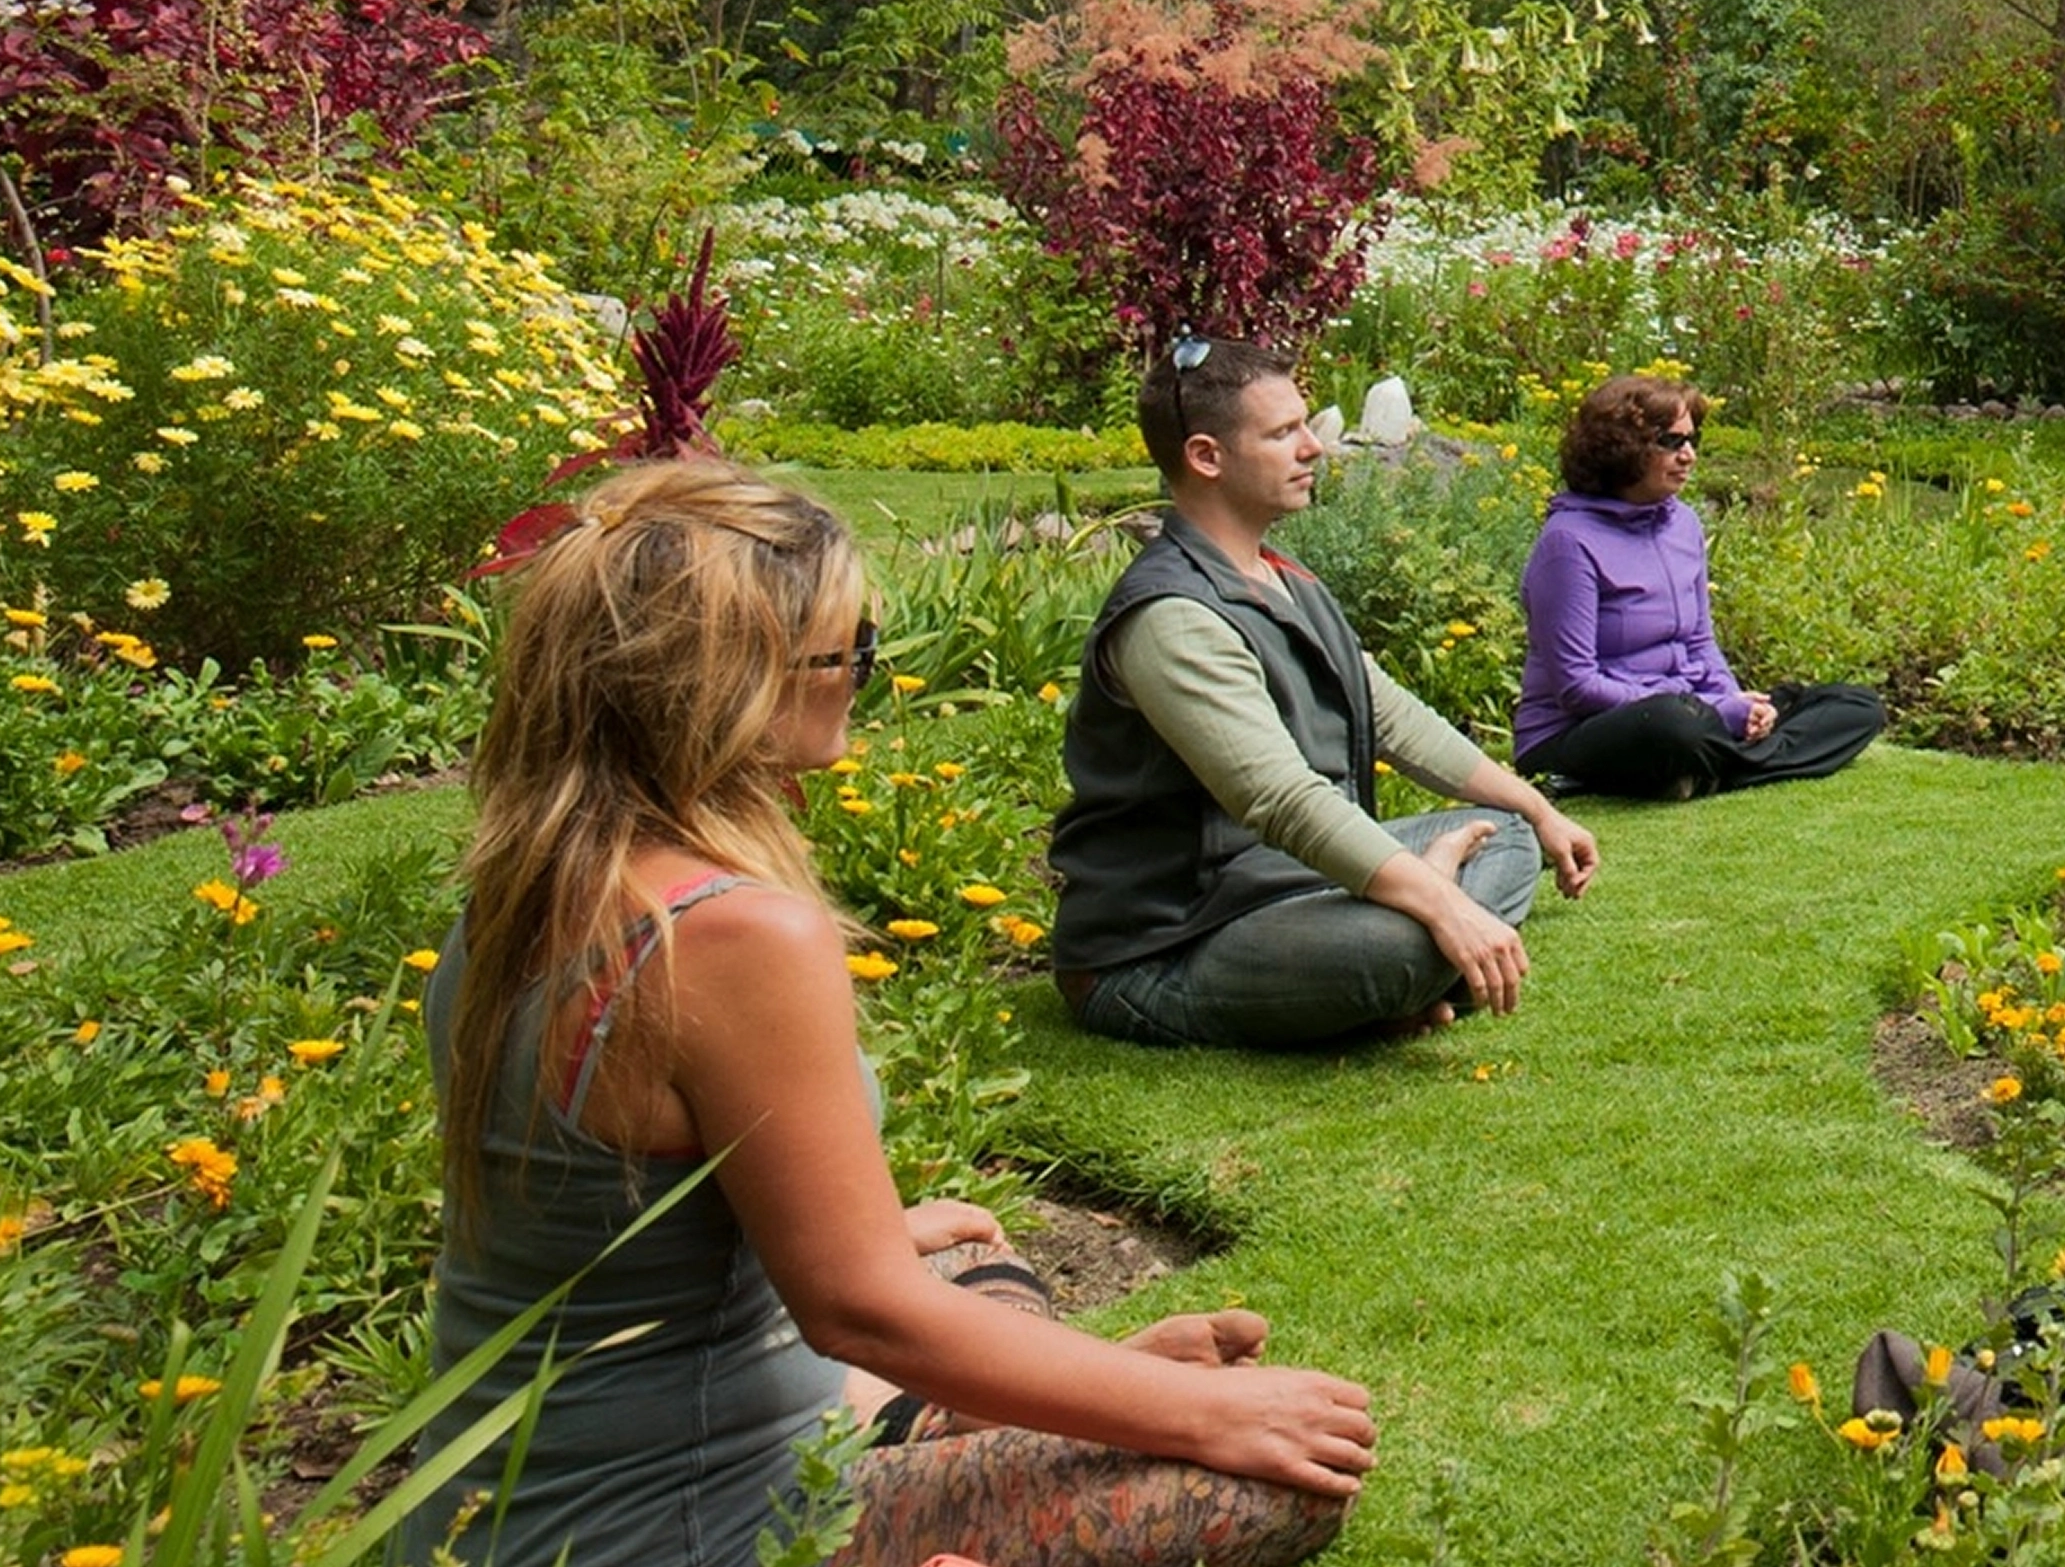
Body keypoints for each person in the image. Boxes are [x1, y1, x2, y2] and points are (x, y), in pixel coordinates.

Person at [397, 458, 1366, 1567]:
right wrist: (1190, 1408)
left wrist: (893, 1257)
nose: (867, 672)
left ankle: (964, 1415)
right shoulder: (727, 934)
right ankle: (972, 1432)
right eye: (847, 651)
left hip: (514, 1505)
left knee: (970, 1259)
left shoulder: (530, 887)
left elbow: (601, 1226)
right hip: (680, 1528)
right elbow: (863, 1314)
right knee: (1267, 1479)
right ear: (731, 678)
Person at [1053, 334, 1604, 1050]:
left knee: (1513, 838)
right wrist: (1433, 896)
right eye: (1284, 432)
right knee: (1406, 947)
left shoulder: (1282, 575)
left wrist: (1536, 804)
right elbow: (1280, 798)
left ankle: (1387, 962)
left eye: (1305, 424)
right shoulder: (1174, 617)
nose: (1313, 446)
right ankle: (1396, 963)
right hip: (1171, 943)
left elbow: (1390, 715)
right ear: (1206, 457)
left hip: (1284, 887)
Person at [1513, 372, 1888, 800]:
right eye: (1672, 442)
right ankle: (1710, 759)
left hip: (1690, 711)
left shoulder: (1683, 524)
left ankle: (1703, 770)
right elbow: (1578, 687)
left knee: (1857, 706)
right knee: (1675, 725)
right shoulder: (1568, 542)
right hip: (1586, 729)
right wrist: (1709, 709)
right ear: (1622, 449)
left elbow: (1700, 641)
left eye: (1694, 440)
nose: (1688, 455)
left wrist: (1734, 703)